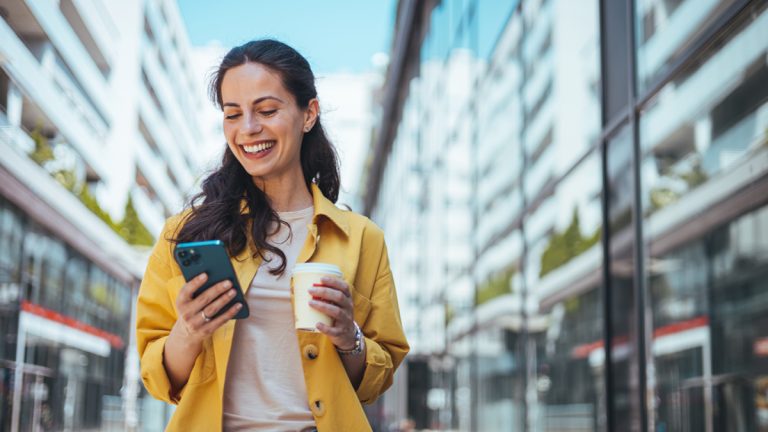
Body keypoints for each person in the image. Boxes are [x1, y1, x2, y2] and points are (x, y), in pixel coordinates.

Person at [136, 39, 409, 431]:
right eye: (233, 114)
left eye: (266, 110)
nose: (248, 129)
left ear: (308, 113)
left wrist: (349, 336)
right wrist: (189, 331)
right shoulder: (184, 234)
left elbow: (376, 380)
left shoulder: (362, 239)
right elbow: (158, 377)